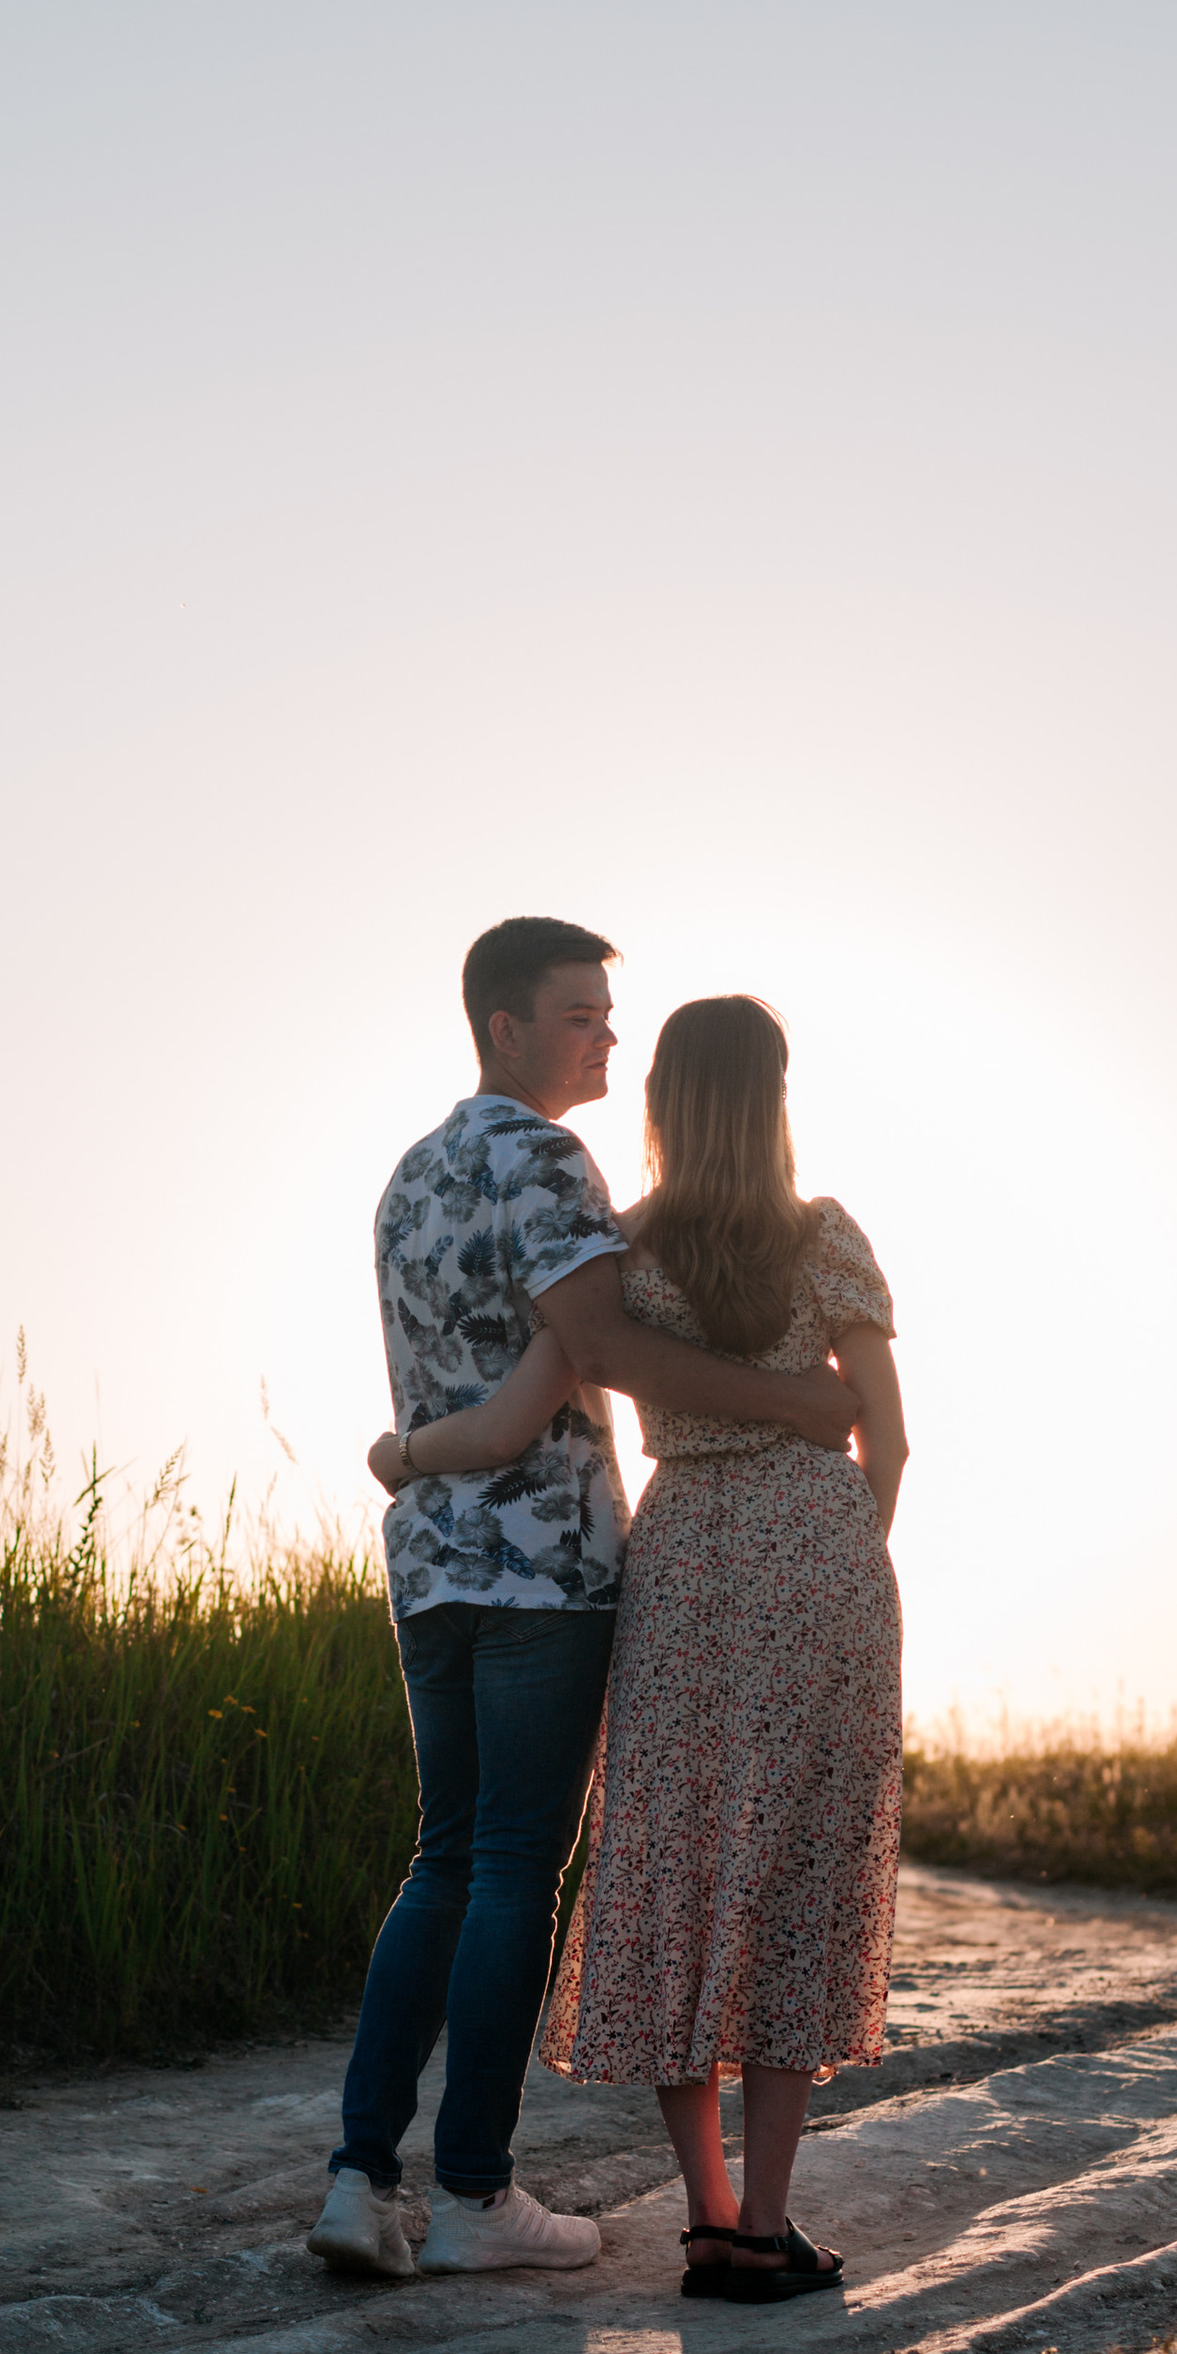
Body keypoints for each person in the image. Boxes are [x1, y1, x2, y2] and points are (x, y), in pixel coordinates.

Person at [307, 925, 860, 2285]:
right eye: (578, 1016)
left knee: (443, 1858)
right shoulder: (544, 1160)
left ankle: (359, 2176)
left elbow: (465, 1388)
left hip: (431, 1563)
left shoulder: (411, 1173)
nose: (606, 1037)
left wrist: (410, 1458)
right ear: (504, 1025)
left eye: (611, 1016)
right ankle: (481, 2192)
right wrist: (797, 1401)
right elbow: (603, 1347)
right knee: (508, 1867)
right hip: (539, 1566)